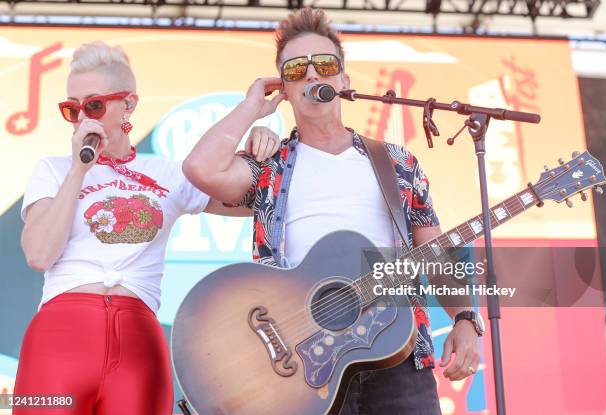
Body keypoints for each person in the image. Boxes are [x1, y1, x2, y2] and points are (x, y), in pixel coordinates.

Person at [183, 8, 483, 414]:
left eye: (324, 65)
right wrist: (252, 108)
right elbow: (201, 169)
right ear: (284, 89)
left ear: (344, 80)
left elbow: (435, 252)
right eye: (294, 71)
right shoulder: (269, 166)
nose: (311, 76)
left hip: (398, 353)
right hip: (302, 369)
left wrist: (465, 318)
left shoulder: (397, 163)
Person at [15, 41, 280, 415]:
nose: (82, 119)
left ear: (129, 104)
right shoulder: (54, 169)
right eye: (71, 109)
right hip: (59, 340)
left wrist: (260, 147)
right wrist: (79, 169)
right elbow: (39, 254)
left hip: (138, 344)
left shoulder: (169, 174)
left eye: (93, 105)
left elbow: (267, 201)